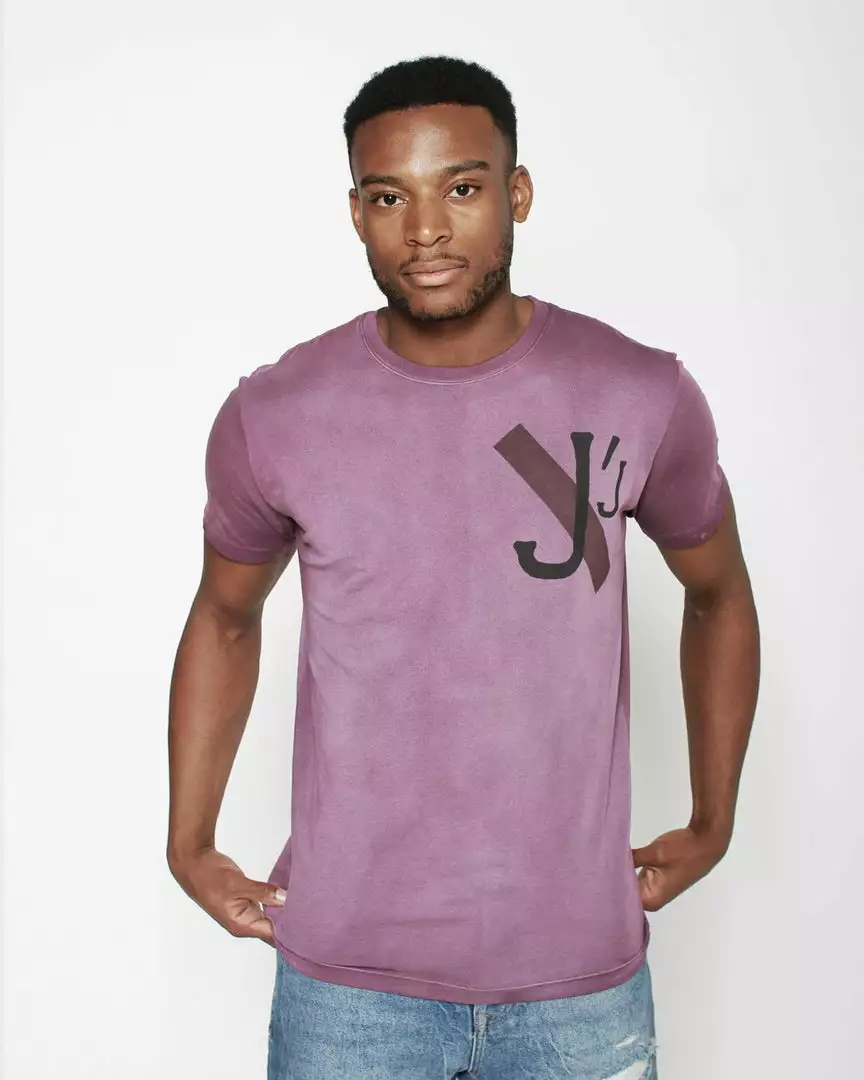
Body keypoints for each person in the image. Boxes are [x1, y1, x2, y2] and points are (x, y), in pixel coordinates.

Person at [167, 54, 760, 1080]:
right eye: (390, 197)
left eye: (463, 188)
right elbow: (224, 615)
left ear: (517, 193)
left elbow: (719, 595)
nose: (427, 230)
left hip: (580, 987)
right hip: (348, 991)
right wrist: (190, 840)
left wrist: (713, 822)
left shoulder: (637, 392)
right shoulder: (277, 414)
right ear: (356, 213)